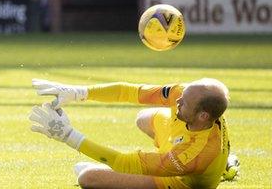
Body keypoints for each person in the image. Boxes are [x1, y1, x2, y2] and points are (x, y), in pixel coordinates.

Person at [29, 78, 235, 189]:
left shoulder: (194, 156)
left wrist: (68, 135)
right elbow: (130, 91)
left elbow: (125, 163)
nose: (177, 101)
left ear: (203, 116)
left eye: (184, 103)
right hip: (187, 148)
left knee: (88, 178)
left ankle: (219, 168)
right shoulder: (185, 94)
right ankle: (223, 164)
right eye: (181, 95)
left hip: (180, 181)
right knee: (144, 118)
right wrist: (78, 92)